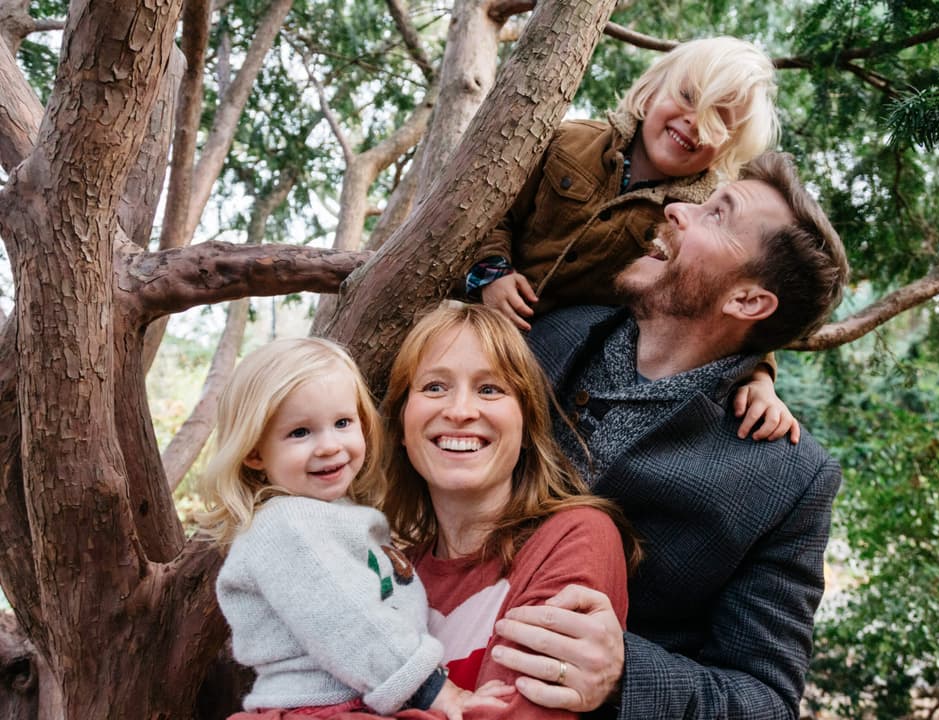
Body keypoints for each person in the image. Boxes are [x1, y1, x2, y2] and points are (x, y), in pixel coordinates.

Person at [488, 151, 850, 720]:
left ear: (747, 301)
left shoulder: (790, 481)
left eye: (716, 215)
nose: (678, 208)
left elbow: (766, 700)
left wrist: (621, 673)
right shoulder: (539, 335)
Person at [467, 36, 798, 444]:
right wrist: (491, 272)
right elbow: (494, 210)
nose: (694, 121)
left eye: (718, 120)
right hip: (475, 317)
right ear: (653, 88)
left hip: (557, 367)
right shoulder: (568, 141)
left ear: (729, 146)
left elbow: (725, 299)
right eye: (688, 96)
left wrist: (761, 377)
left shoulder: (695, 220)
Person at [199, 337, 509, 720]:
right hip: (322, 708)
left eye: (343, 423)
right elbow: (348, 621)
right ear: (255, 452)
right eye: (300, 432)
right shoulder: (287, 526)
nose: (329, 446)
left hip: (366, 698)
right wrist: (437, 691)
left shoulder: (331, 516)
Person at [380, 302, 640, 719]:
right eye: (434, 387)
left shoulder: (575, 536)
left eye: (489, 389)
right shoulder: (392, 574)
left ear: (525, 427)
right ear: (400, 426)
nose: (461, 411)